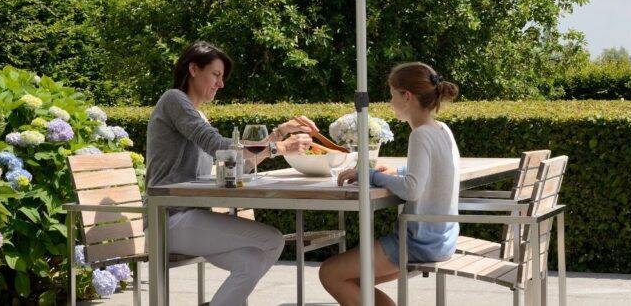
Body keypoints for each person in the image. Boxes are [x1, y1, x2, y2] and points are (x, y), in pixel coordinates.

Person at [145, 40, 316, 306]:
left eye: (221, 77)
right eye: (215, 74)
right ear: (193, 69)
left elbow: (234, 165)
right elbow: (216, 145)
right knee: (272, 240)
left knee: (252, 261)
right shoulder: (173, 99)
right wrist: (279, 147)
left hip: (190, 218)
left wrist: (279, 133)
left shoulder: (198, 115)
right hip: (168, 220)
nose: (221, 84)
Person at [319, 62, 460, 306]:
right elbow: (440, 170)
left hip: (418, 243)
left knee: (330, 273)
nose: (390, 102)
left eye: (392, 94)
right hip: (442, 239)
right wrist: (399, 170)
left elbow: (411, 189)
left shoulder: (420, 134)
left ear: (407, 96)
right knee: (353, 279)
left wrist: (369, 175)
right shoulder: (442, 129)